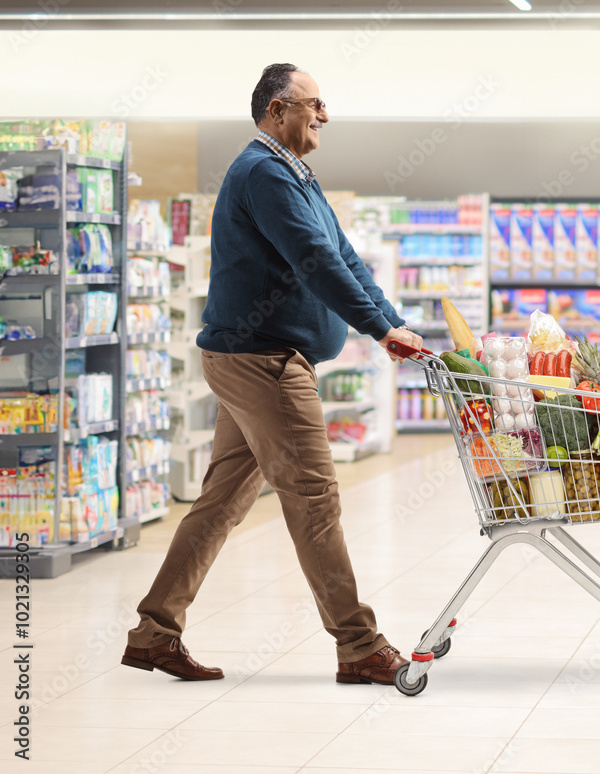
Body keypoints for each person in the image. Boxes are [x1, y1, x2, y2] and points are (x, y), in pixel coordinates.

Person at [123, 63, 421, 686]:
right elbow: (314, 262)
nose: (325, 115)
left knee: (221, 502)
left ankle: (155, 633)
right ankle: (359, 645)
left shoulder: (294, 174)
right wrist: (375, 327)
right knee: (315, 498)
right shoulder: (263, 173)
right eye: (314, 103)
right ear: (277, 110)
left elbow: (342, 254)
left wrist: (390, 322)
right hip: (265, 362)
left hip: (254, 356)